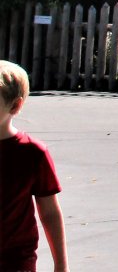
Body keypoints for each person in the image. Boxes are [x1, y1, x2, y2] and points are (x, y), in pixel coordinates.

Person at [0, 62, 65, 272]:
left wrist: (61, 266)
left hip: (15, 262)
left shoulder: (33, 152)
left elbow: (49, 212)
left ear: (15, 106)